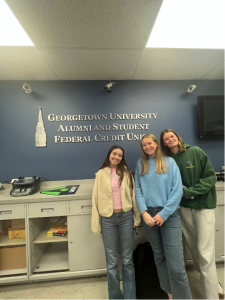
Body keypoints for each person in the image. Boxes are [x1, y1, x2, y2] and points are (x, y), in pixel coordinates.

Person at [160, 129, 225, 300]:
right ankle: (215, 284)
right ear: (164, 143)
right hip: (183, 208)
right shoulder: (168, 161)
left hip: (204, 206)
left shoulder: (195, 152)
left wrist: (189, 191)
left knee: (205, 252)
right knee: (195, 250)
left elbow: (210, 178)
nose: (170, 139)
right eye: (166, 139)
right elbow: (168, 186)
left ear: (178, 137)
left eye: (172, 136)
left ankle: (212, 295)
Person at [135, 133, 192, 300]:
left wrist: (164, 214)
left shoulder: (170, 162)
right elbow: (137, 190)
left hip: (169, 214)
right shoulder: (140, 164)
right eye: (144, 145)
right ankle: (169, 293)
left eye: (150, 143)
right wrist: (144, 212)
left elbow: (177, 190)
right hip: (149, 217)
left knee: (176, 264)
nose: (147, 147)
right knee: (159, 256)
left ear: (156, 144)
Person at [92, 145, 141, 300]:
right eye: (114, 154)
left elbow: (133, 196)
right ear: (109, 155)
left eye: (120, 155)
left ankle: (130, 297)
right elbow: (95, 198)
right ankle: (115, 297)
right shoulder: (100, 174)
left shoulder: (126, 173)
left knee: (127, 261)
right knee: (112, 262)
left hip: (126, 217)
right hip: (108, 219)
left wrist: (137, 218)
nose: (117, 157)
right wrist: (96, 223)